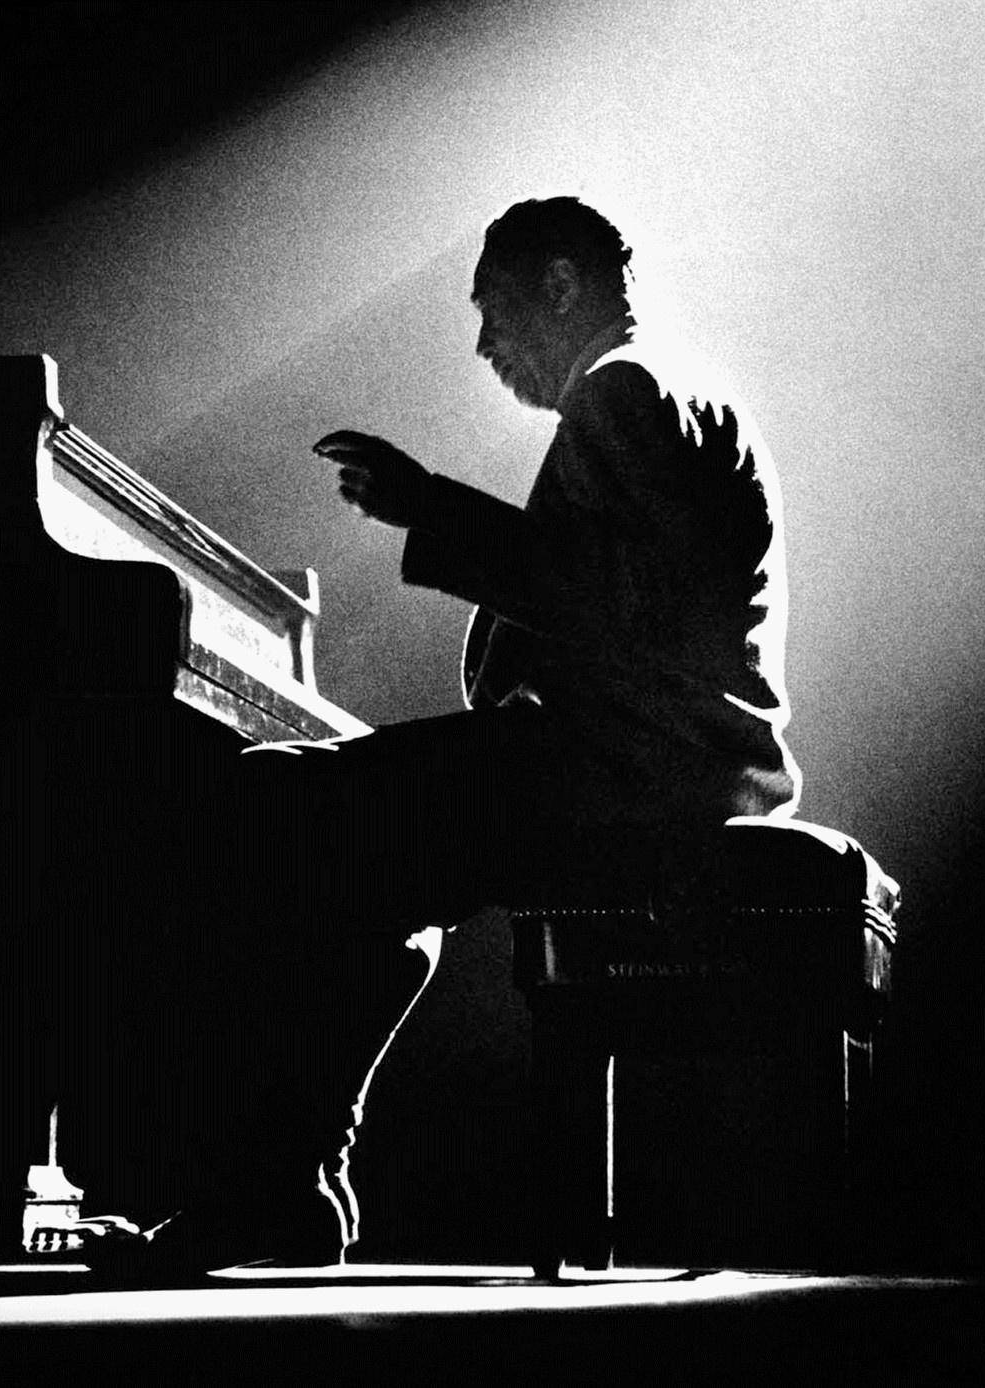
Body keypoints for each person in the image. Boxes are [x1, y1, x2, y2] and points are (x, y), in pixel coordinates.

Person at [83, 196, 800, 1276]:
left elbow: (608, 596)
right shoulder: (679, 394)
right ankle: (285, 1184)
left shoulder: (623, 390)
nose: (484, 345)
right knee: (369, 866)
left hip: (628, 771)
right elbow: (632, 595)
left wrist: (429, 504)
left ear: (561, 284)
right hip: (672, 764)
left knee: (268, 800)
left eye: (493, 311)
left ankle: (274, 1187)